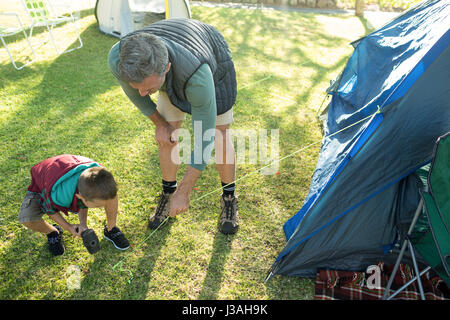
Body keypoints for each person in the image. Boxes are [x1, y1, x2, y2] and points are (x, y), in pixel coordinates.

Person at [108, 18, 239, 234]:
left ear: (166, 68)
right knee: (167, 133)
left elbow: (204, 135)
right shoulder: (119, 58)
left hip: (210, 61)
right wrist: (160, 123)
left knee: (219, 133)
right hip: (172, 60)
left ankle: (229, 198)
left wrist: (186, 189)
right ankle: (168, 193)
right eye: (137, 87)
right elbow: (137, 95)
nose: (142, 93)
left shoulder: (198, 76)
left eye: (148, 88)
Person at [18, 154, 130, 256]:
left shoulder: (100, 176)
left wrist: (83, 224)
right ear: (80, 197)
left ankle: (111, 230)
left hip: (69, 170)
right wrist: (69, 227)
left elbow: (83, 203)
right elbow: (49, 210)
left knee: (109, 195)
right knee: (26, 218)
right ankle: (53, 232)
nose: (101, 207)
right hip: (43, 184)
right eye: (97, 206)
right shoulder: (57, 194)